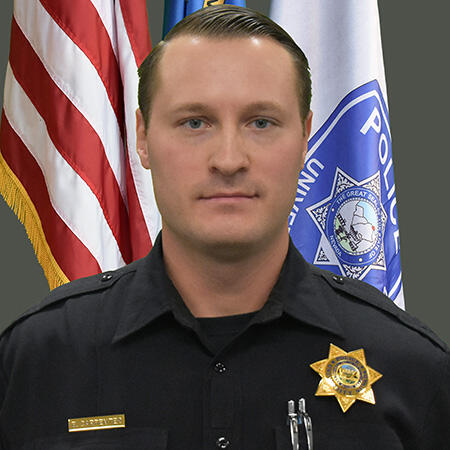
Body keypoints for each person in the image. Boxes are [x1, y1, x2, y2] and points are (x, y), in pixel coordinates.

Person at [0, 5, 448, 449]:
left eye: (261, 122)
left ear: (305, 136)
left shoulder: (410, 367)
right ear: (142, 137)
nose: (229, 160)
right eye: (195, 122)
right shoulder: (36, 360)